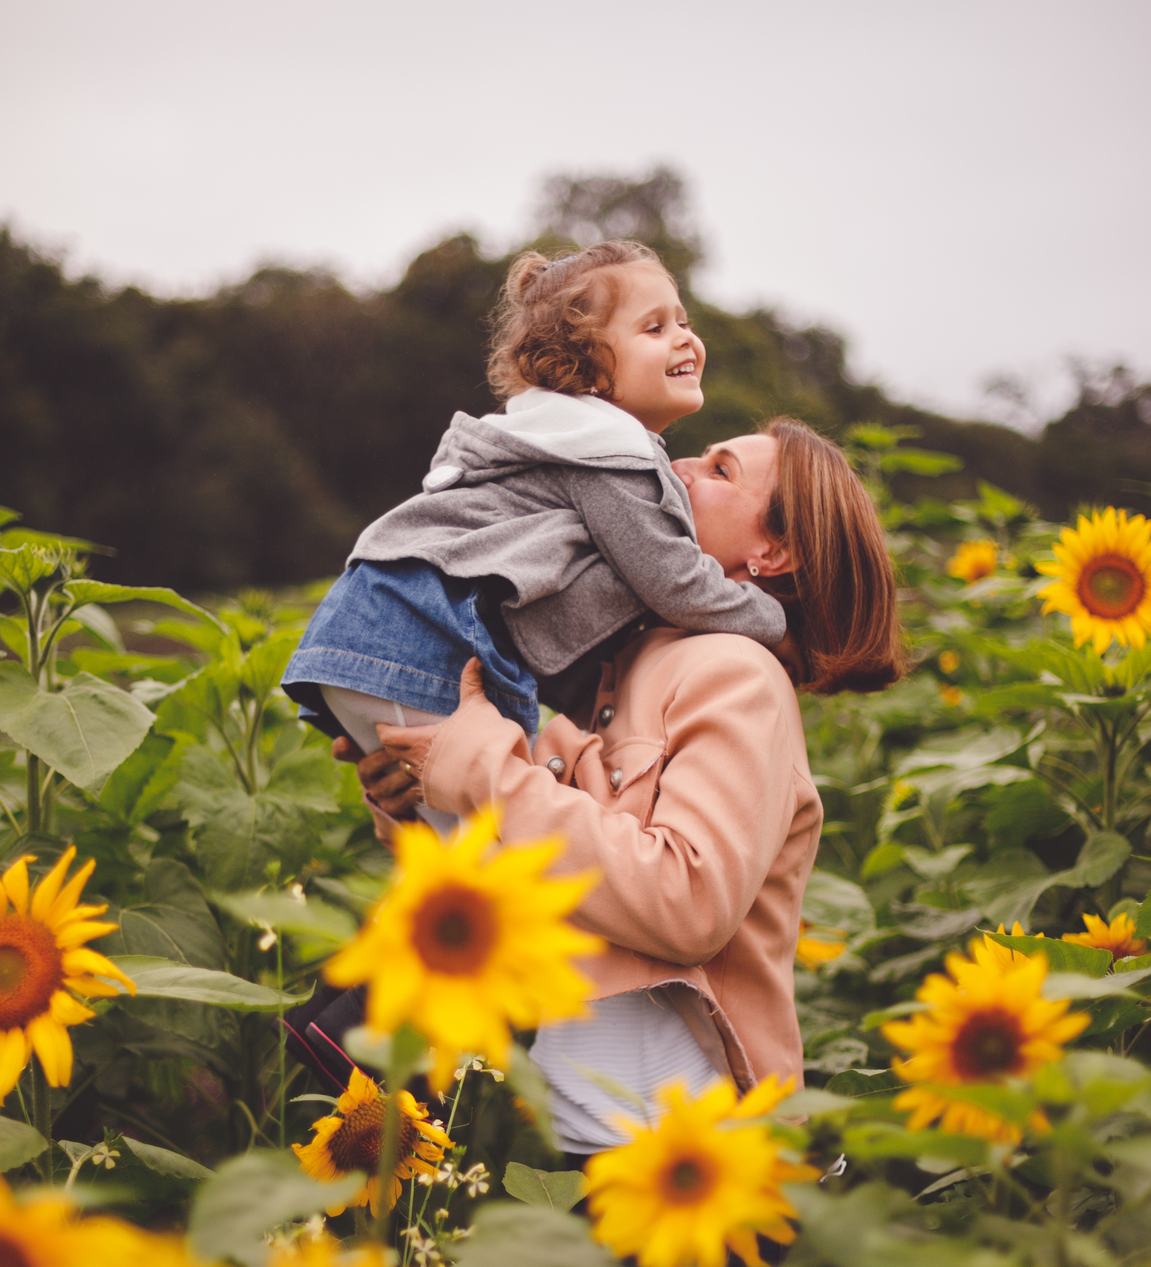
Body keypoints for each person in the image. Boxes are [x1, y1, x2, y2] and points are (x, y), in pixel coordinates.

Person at [347, 419, 903, 1156]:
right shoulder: (626, 664)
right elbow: (559, 870)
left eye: (721, 470)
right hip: (579, 1139)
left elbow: (685, 900)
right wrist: (417, 798)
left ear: (774, 553)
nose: (681, 465)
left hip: (688, 1155)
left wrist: (482, 768)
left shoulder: (736, 672)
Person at [281, 241, 787, 834]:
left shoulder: (572, 440)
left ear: (776, 551)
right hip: (423, 637)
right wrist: (773, 620)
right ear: (588, 370)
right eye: (654, 328)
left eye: (683, 321)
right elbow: (675, 580)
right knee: (493, 858)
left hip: (388, 626)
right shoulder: (609, 454)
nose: (685, 338)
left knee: (474, 846)